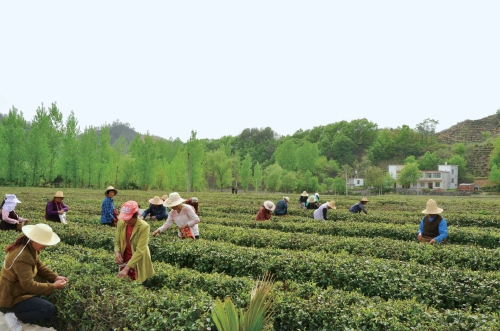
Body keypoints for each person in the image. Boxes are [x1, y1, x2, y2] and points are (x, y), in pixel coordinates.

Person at [0, 223, 68, 330]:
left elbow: (39, 266)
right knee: (48, 309)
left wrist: (55, 277)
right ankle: (12, 316)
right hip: (11, 297)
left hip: (18, 290)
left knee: (41, 281)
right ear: (33, 239)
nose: (45, 246)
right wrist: (53, 286)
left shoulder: (29, 246)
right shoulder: (23, 256)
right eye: (43, 243)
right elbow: (28, 285)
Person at [114, 201, 155, 283]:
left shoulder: (144, 227)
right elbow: (117, 241)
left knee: (138, 282)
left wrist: (127, 268)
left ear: (135, 215)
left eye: (128, 218)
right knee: (125, 283)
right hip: (125, 257)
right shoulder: (121, 223)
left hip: (138, 259)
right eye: (124, 218)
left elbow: (140, 250)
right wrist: (117, 252)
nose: (126, 221)